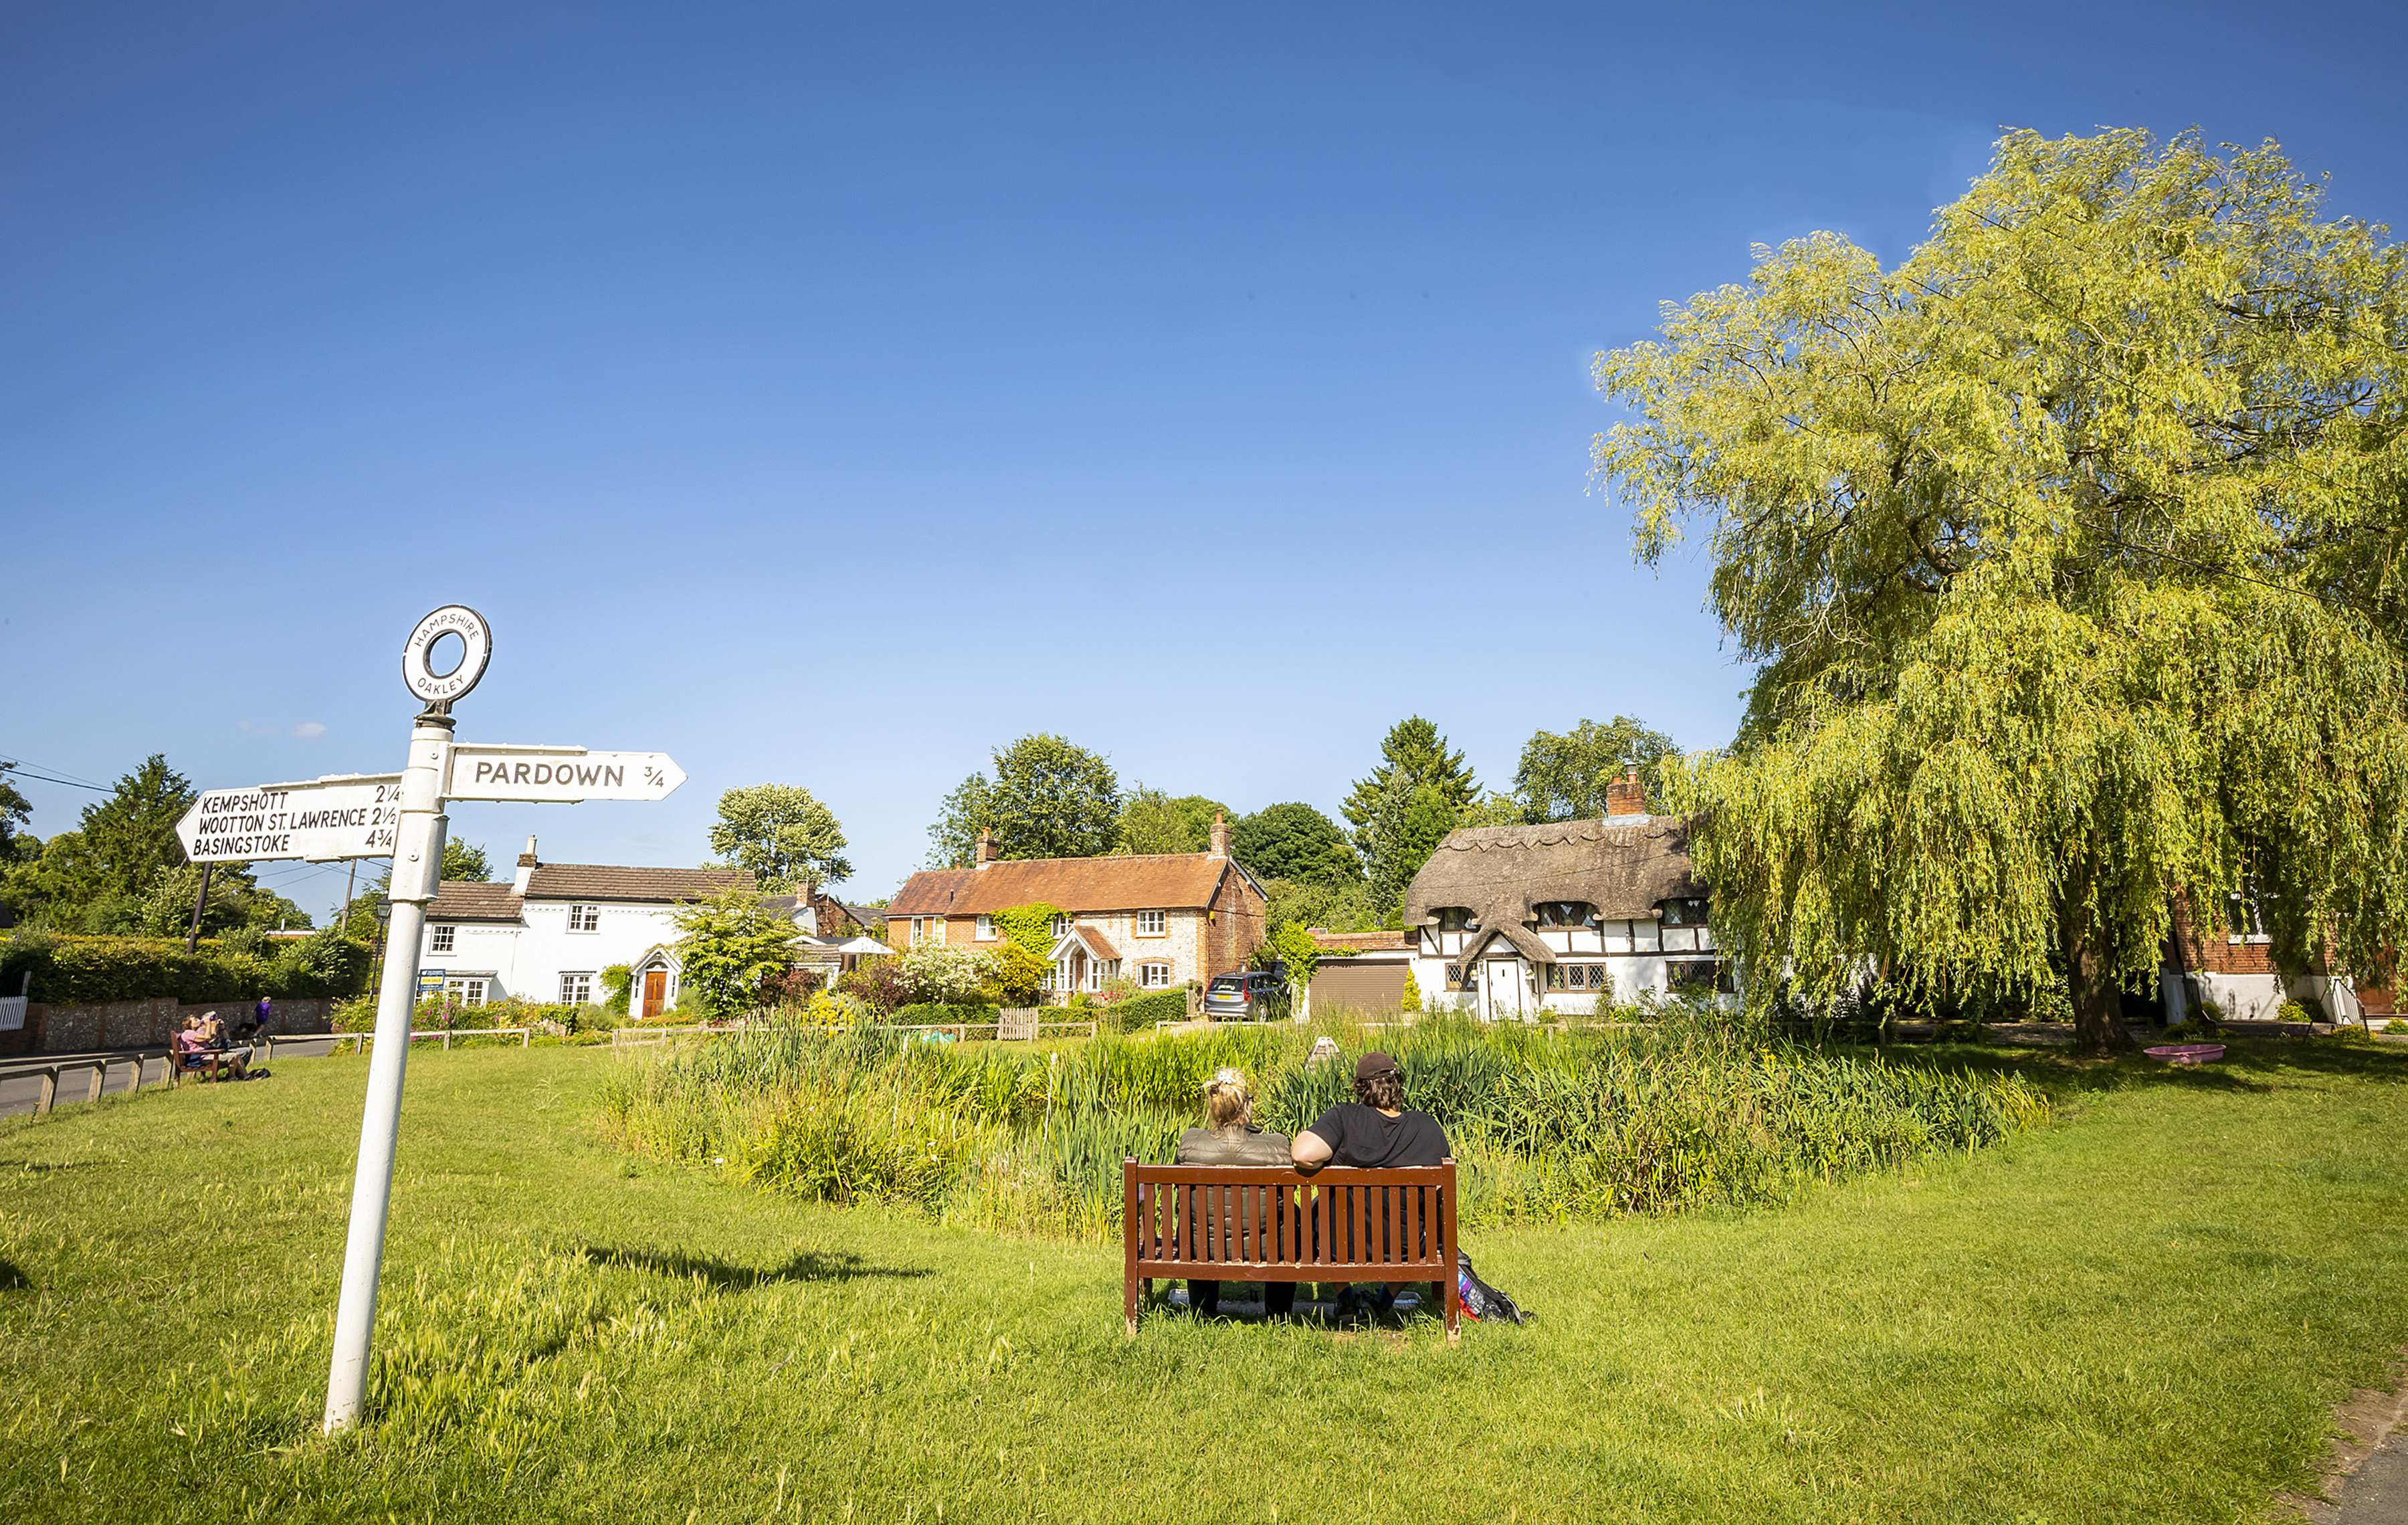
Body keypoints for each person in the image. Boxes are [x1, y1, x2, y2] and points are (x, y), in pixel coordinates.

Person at [1291, 1050, 1451, 1314]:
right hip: (1406, 1248)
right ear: (1398, 1083)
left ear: (1361, 1088)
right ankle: (1384, 1300)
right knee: (1424, 1219)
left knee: (1321, 1208)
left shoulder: (1345, 1118)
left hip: (1340, 1246)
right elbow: (1437, 1194)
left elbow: (1301, 1155)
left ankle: (1345, 1297)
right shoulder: (1428, 1127)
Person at [1174, 1067, 1296, 1317]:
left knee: (1201, 1225)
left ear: (1214, 1106)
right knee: (1287, 1220)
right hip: (1267, 1249)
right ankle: (1279, 1315)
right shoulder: (1278, 1146)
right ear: (1246, 1105)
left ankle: (1202, 1312)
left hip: (1202, 1248)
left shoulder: (1190, 1143)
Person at [198, 1011, 253, 1080]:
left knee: (247, 1051)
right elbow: (211, 1042)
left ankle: (239, 1073)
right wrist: (213, 1027)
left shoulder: (214, 1029)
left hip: (221, 1051)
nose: (216, 1022)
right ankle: (235, 1076)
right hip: (213, 1054)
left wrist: (222, 1028)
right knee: (235, 1055)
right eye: (215, 1019)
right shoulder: (202, 1030)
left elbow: (227, 1039)